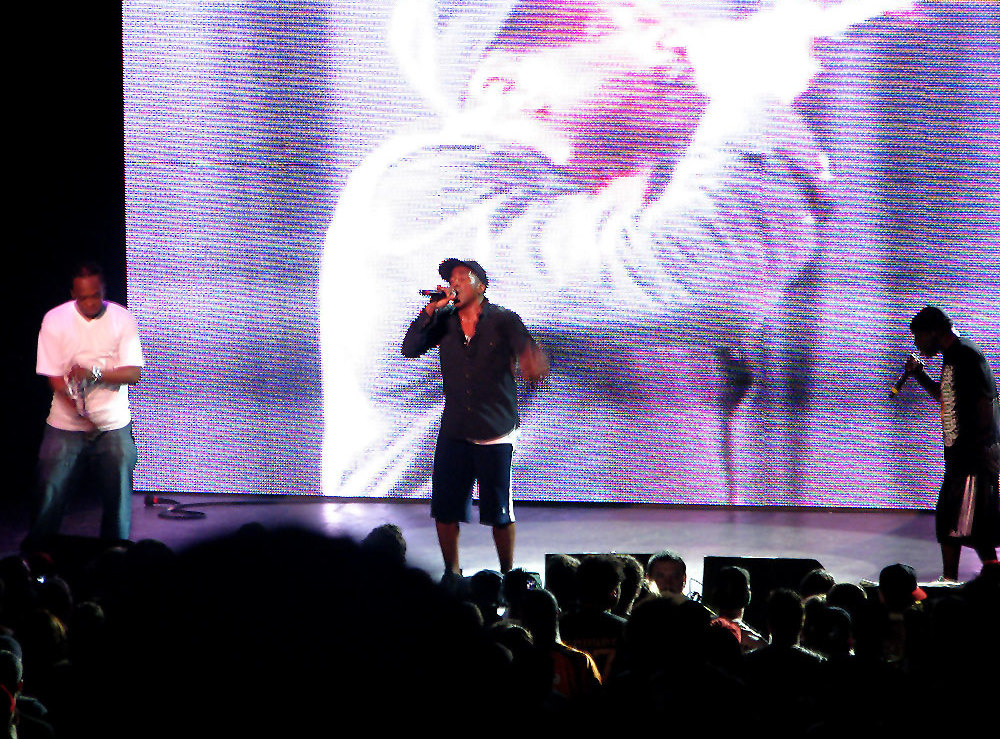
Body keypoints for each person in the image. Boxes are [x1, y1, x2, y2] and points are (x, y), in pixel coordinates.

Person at [321, 0, 837, 504]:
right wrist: (752, 92)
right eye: (606, 23)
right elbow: (695, 260)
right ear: (506, 84)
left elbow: (729, 259)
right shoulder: (424, 191)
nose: (665, 35)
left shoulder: (613, 221)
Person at [401, 258, 548, 577]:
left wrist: (531, 363)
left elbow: (530, 357)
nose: (454, 284)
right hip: (456, 427)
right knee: (445, 509)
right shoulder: (444, 320)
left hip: (495, 429)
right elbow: (409, 349)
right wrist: (430, 311)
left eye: (461, 278)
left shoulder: (505, 320)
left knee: (498, 512)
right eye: (450, 279)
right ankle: (452, 574)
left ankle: (508, 575)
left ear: (481, 286)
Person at [26, 262, 144, 548]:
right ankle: (38, 559)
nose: (90, 302)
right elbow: (54, 378)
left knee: (118, 502)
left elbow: (133, 373)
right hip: (65, 425)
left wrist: (95, 373)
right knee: (49, 495)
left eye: (95, 295)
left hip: (113, 424)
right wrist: (81, 416)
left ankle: (115, 561)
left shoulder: (121, 318)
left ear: (103, 290)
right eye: (83, 297)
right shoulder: (55, 320)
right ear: (72, 294)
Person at [903, 306, 1000, 581]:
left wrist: (978, 452)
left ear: (934, 332)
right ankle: (956, 581)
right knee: (965, 526)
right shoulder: (955, 356)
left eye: (919, 337)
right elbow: (948, 400)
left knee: (960, 524)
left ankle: (952, 581)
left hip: (973, 459)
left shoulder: (966, 356)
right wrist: (920, 375)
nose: (917, 344)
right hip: (965, 458)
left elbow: (986, 404)